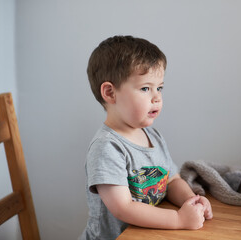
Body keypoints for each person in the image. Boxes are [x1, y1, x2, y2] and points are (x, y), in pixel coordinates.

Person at [79, 35, 213, 240]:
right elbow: (123, 208)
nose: (157, 97)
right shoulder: (107, 147)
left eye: (159, 87)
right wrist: (179, 219)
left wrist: (191, 201)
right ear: (110, 93)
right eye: (145, 88)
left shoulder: (152, 135)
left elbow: (171, 180)